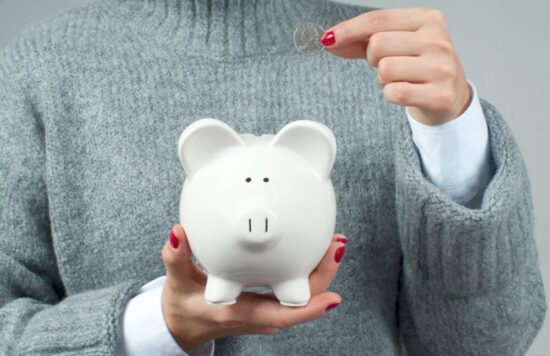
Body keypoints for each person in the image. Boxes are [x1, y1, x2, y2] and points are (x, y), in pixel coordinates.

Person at [0, 0, 546, 355]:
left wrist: (453, 135)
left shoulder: (390, 64)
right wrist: (152, 325)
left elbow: (483, 344)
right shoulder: (41, 70)